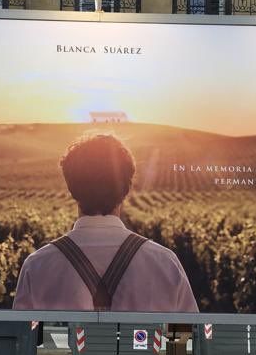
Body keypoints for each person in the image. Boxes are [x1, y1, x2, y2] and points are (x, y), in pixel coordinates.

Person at [12, 133, 199, 313]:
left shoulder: (37, 266)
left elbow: (22, 335)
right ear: (126, 189)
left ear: (71, 189)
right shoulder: (165, 263)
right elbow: (187, 334)